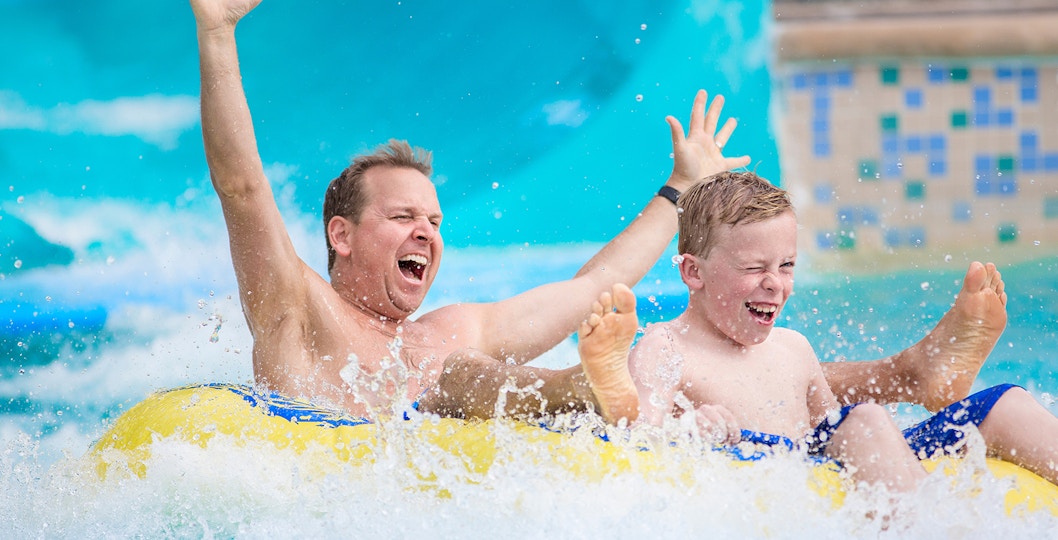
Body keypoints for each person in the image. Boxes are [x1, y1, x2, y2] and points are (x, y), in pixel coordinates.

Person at [189, 0, 1005, 428]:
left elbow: (595, 289)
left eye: (436, 223)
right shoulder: (298, 310)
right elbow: (242, 188)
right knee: (469, 378)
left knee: (673, 363)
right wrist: (217, 33)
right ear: (341, 234)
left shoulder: (443, 329)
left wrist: (680, 189)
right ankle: (596, 388)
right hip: (338, 458)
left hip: (528, 399)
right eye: (405, 218)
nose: (428, 236)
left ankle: (908, 376)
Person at [597, 171, 1058, 489]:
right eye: (754, 267)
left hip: (816, 467)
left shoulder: (793, 347)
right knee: (867, 417)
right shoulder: (664, 349)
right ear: (694, 273)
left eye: (787, 265)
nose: (775, 283)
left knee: (1006, 404)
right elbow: (636, 447)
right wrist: (689, 433)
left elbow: (827, 430)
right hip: (758, 463)